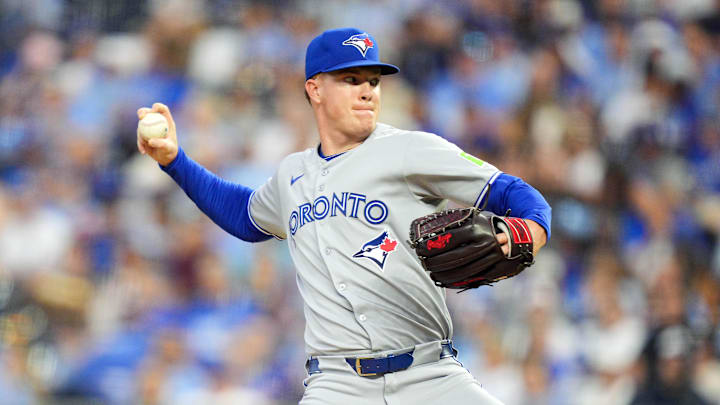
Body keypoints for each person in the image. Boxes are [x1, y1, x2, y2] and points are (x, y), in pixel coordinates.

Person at [137, 27, 551, 405]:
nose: (368, 91)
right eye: (351, 80)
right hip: (337, 385)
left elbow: (513, 192)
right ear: (315, 89)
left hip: (430, 374)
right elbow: (244, 217)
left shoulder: (410, 149)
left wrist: (533, 228)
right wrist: (176, 162)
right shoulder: (291, 175)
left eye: (373, 81)